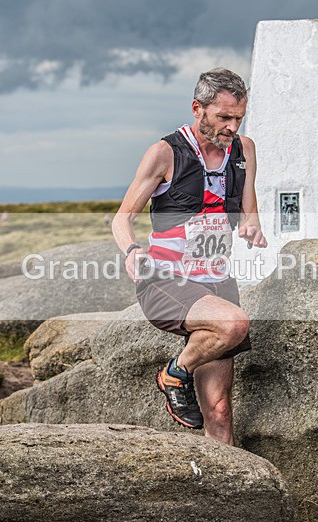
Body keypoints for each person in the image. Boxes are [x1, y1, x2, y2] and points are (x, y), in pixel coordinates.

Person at [112, 68, 267, 446]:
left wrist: (252, 226)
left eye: (239, 118)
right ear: (198, 109)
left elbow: (248, 210)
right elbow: (122, 218)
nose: (232, 127)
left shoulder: (244, 150)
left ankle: (225, 483)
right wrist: (131, 250)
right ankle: (174, 374)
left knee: (220, 410)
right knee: (233, 323)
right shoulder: (164, 153)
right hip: (167, 279)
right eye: (224, 117)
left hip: (217, 280)